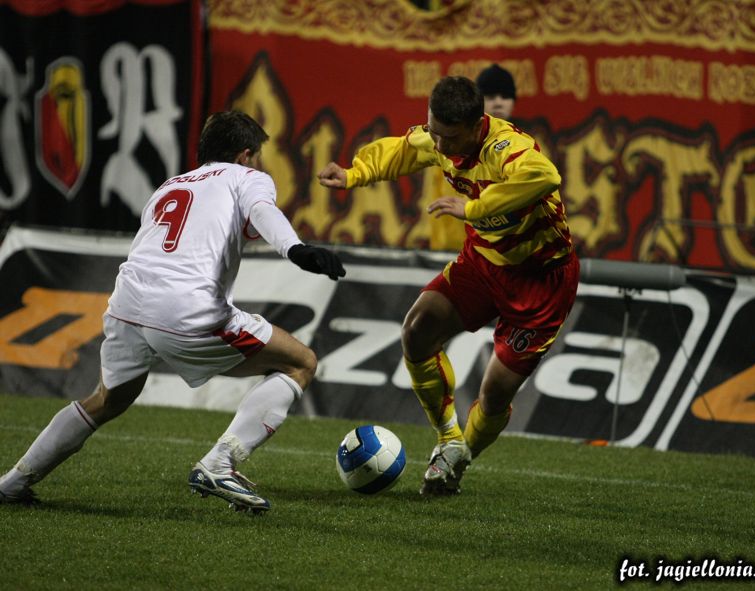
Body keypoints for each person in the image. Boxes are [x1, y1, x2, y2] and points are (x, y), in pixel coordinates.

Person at [0, 111, 345, 513]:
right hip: (185, 309)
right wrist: (295, 249)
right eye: (257, 157)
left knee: (107, 399)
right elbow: (262, 211)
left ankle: (12, 483)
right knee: (300, 363)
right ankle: (220, 464)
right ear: (245, 155)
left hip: (126, 305)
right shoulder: (246, 177)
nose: (259, 165)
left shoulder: (170, 185)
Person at [318, 76, 578, 495]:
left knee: (494, 395)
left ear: (476, 126)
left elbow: (545, 176)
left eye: (449, 137)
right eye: (434, 131)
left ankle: (460, 458)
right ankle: (448, 440)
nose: (439, 145)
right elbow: (404, 149)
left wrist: (474, 207)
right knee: (417, 329)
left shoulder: (505, 148)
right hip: (482, 263)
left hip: (540, 281)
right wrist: (354, 174)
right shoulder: (440, 138)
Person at [424, 63, 519, 251]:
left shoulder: (522, 149)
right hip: (453, 248)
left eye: (505, 97)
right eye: (490, 97)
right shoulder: (448, 143)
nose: (498, 103)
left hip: (502, 252)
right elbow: (436, 199)